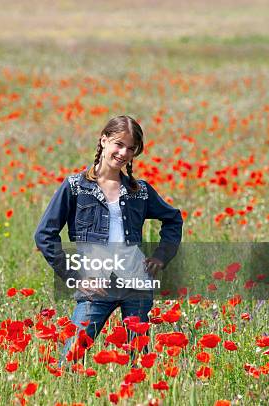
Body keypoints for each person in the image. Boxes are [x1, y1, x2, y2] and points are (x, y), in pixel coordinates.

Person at [33, 115, 183, 367]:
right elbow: (44, 234)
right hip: (96, 286)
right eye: (118, 144)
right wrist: (75, 275)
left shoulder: (140, 191)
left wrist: (161, 256)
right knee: (70, 359)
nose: (124, 152)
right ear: (103, 140)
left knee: (140, 362)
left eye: (131, 148)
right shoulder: (75, 187)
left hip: (136, 283)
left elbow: (173, 219)